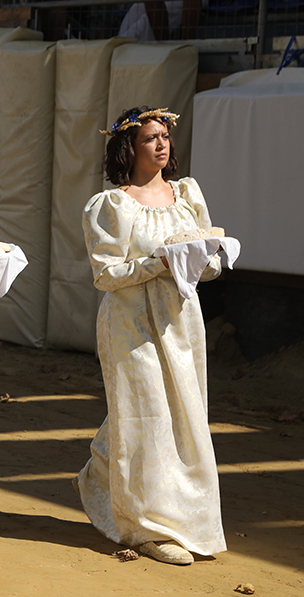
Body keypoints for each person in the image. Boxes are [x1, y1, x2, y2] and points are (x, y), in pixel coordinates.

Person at [75, 106, 226, 566]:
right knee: (146, 417)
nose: (161, 145)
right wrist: (159, 261)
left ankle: (104, 475)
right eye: (149, 139)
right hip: (129, 322)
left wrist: (201, 257)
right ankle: (148, 529)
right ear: (129, 148)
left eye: (164, 137)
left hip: (181, 319)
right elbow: (106, 274)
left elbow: (211, 266)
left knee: (182, 415)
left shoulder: (187, 195)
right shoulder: (112, 204)